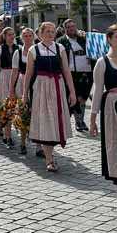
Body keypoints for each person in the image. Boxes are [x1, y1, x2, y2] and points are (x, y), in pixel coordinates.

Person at [89, 24, 117, 217]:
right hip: (112, 112)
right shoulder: (103, 62)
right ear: (108, 39)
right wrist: (92, 119)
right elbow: (98, 91)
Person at [22, 21, 76, 172]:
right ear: (40, 33)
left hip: (57, 87)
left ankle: (50, 154)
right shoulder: (34, 50)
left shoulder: (60, 48)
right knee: (45, 120)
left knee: (55, 119)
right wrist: (25, 94)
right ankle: (49, 159)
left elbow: (66, 71)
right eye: (48, 31)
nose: (51, 34)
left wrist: (72, 91)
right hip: (41, 88)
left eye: (53, 32)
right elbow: (28, 74)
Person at [59, 18, 92, 132]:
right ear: (65, 29)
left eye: (73, 26)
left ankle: (80, 120)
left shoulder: (83, 38)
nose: (71, 28)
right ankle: (78, 122)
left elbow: (94, 47)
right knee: (75, 97)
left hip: (87, 72)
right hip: (71, 73)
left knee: (83, 97)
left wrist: (87, 35)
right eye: (68, 27)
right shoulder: (61, 41)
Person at [0, 27, 18, 147]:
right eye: (9, 35)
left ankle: (12, 132)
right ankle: (8, 135)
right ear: (4, 36)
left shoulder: (18, 48)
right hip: (4, 77)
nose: (12, 37)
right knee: (6, 106)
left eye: (13, 34)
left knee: (16, 105)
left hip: (16, 77)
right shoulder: (0, 49)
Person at [10, 27, 36, 153]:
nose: (28, 38)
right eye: (25, 35)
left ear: (34, 37)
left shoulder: (37, 50)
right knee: (23, 111)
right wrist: (11, 88)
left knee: (36, 111)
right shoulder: (18, 52)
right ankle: (23, 142)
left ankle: (39, 145)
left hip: (36, 83)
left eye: (30, 35)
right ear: (21, 38)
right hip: (21, 82)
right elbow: (14, 72)